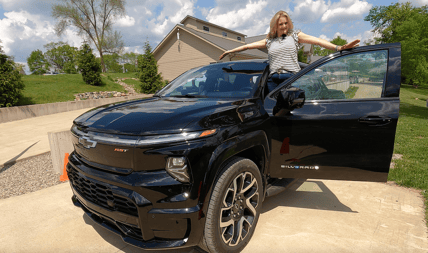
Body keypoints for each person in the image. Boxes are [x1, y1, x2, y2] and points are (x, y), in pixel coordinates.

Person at [219, 10, 360, 89]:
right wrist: (230, 51)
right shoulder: (269, 40)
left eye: (286, 23)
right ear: (275, 25)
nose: (284, 26)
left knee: (290, 108)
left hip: (291, 78)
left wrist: (338, 47)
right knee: (272, 112)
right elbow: (248, 45)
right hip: (273, 79)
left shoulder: (295, 36)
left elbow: (317, 41)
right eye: (281, 24)